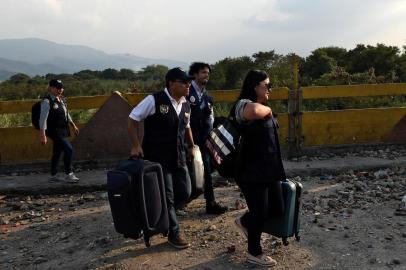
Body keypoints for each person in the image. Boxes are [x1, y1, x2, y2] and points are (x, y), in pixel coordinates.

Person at [128, 67, 195, 249]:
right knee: (168, 197)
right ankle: (174, 233)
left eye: (189, 82)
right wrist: (136, 145)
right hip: (158, 159)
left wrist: (191, 146)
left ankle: (164, 217)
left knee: (186, 192)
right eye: (184, 82)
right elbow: (132, 118)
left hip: (179, 157)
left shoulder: (186, 104)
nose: (188, 85)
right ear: (171, 84)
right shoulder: (154, 100)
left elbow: (186, 126)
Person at [233, 70, 286, 267]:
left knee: (277, 208)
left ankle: (244, 222)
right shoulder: (242, 106)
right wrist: (269, 110)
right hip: (250, 171)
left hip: (269, 169)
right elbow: (254, 112)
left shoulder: (262, 105)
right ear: (255, 86)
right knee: (259, 212)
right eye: (267, 85)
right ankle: (254, 252)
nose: (270, 89)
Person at [187, 62, 228, 215]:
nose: (206, 76)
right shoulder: (186, 92)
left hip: (204, 138)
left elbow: (210, 117)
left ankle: (208, 201)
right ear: (195, 74)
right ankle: (186, 199)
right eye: (203, 73)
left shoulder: (206, 96)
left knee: (208, 167)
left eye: (207, 73)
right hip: (187, 139)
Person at [39, 79, 80, 183]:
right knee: (69, 149)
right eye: (57, 88)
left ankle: (54, 175)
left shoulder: (61, 99)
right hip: (53, 130)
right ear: (51, 88)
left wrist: (73, 125)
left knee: (57, 152)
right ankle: (69, 174)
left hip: (63, 129)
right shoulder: (47, 101)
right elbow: (42, 119)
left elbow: (66, 113)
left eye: (61, 87)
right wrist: (42, 135)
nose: (60, 90)